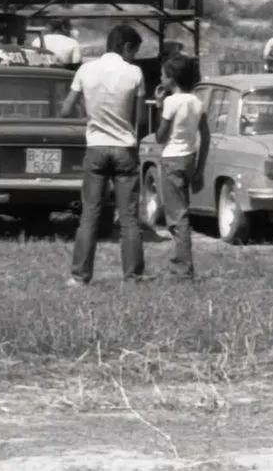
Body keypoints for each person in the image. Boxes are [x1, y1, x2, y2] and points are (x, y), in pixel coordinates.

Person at [60, 25, 147, 285]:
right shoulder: (134, 72)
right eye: (134, 51)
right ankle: (133, 276)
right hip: (124, 147)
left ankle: (80, 276)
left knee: (90, 215)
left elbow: (66, 110)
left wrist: (89, 114)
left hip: (96, 147)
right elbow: (141, 119)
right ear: (126, 47)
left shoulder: (86, 70)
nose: (133, 57)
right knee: (129, 217)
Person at [151, 55, 206, 280]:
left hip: (172, 158)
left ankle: (183, 266)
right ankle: (180, 262)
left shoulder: (171, 102)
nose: (161, 78)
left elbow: (160, 136)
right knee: (182, 209)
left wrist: (158, 106)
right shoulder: (197, 102)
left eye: (163, 75)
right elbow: (206, 136)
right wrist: (200, 168)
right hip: (189, 157)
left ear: (172, 79)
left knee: (177, 216)